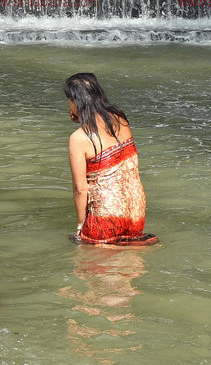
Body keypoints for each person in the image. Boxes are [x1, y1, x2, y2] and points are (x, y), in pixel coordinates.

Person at [66, 73, 157, 245]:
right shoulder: (120, 119)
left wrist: (80, 226)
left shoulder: (78, 138)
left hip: (106, 219)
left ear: (74, 101)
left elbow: (80, 189)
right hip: (135, 212)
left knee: (94, 267)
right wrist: (80, 117)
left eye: (69, 101)